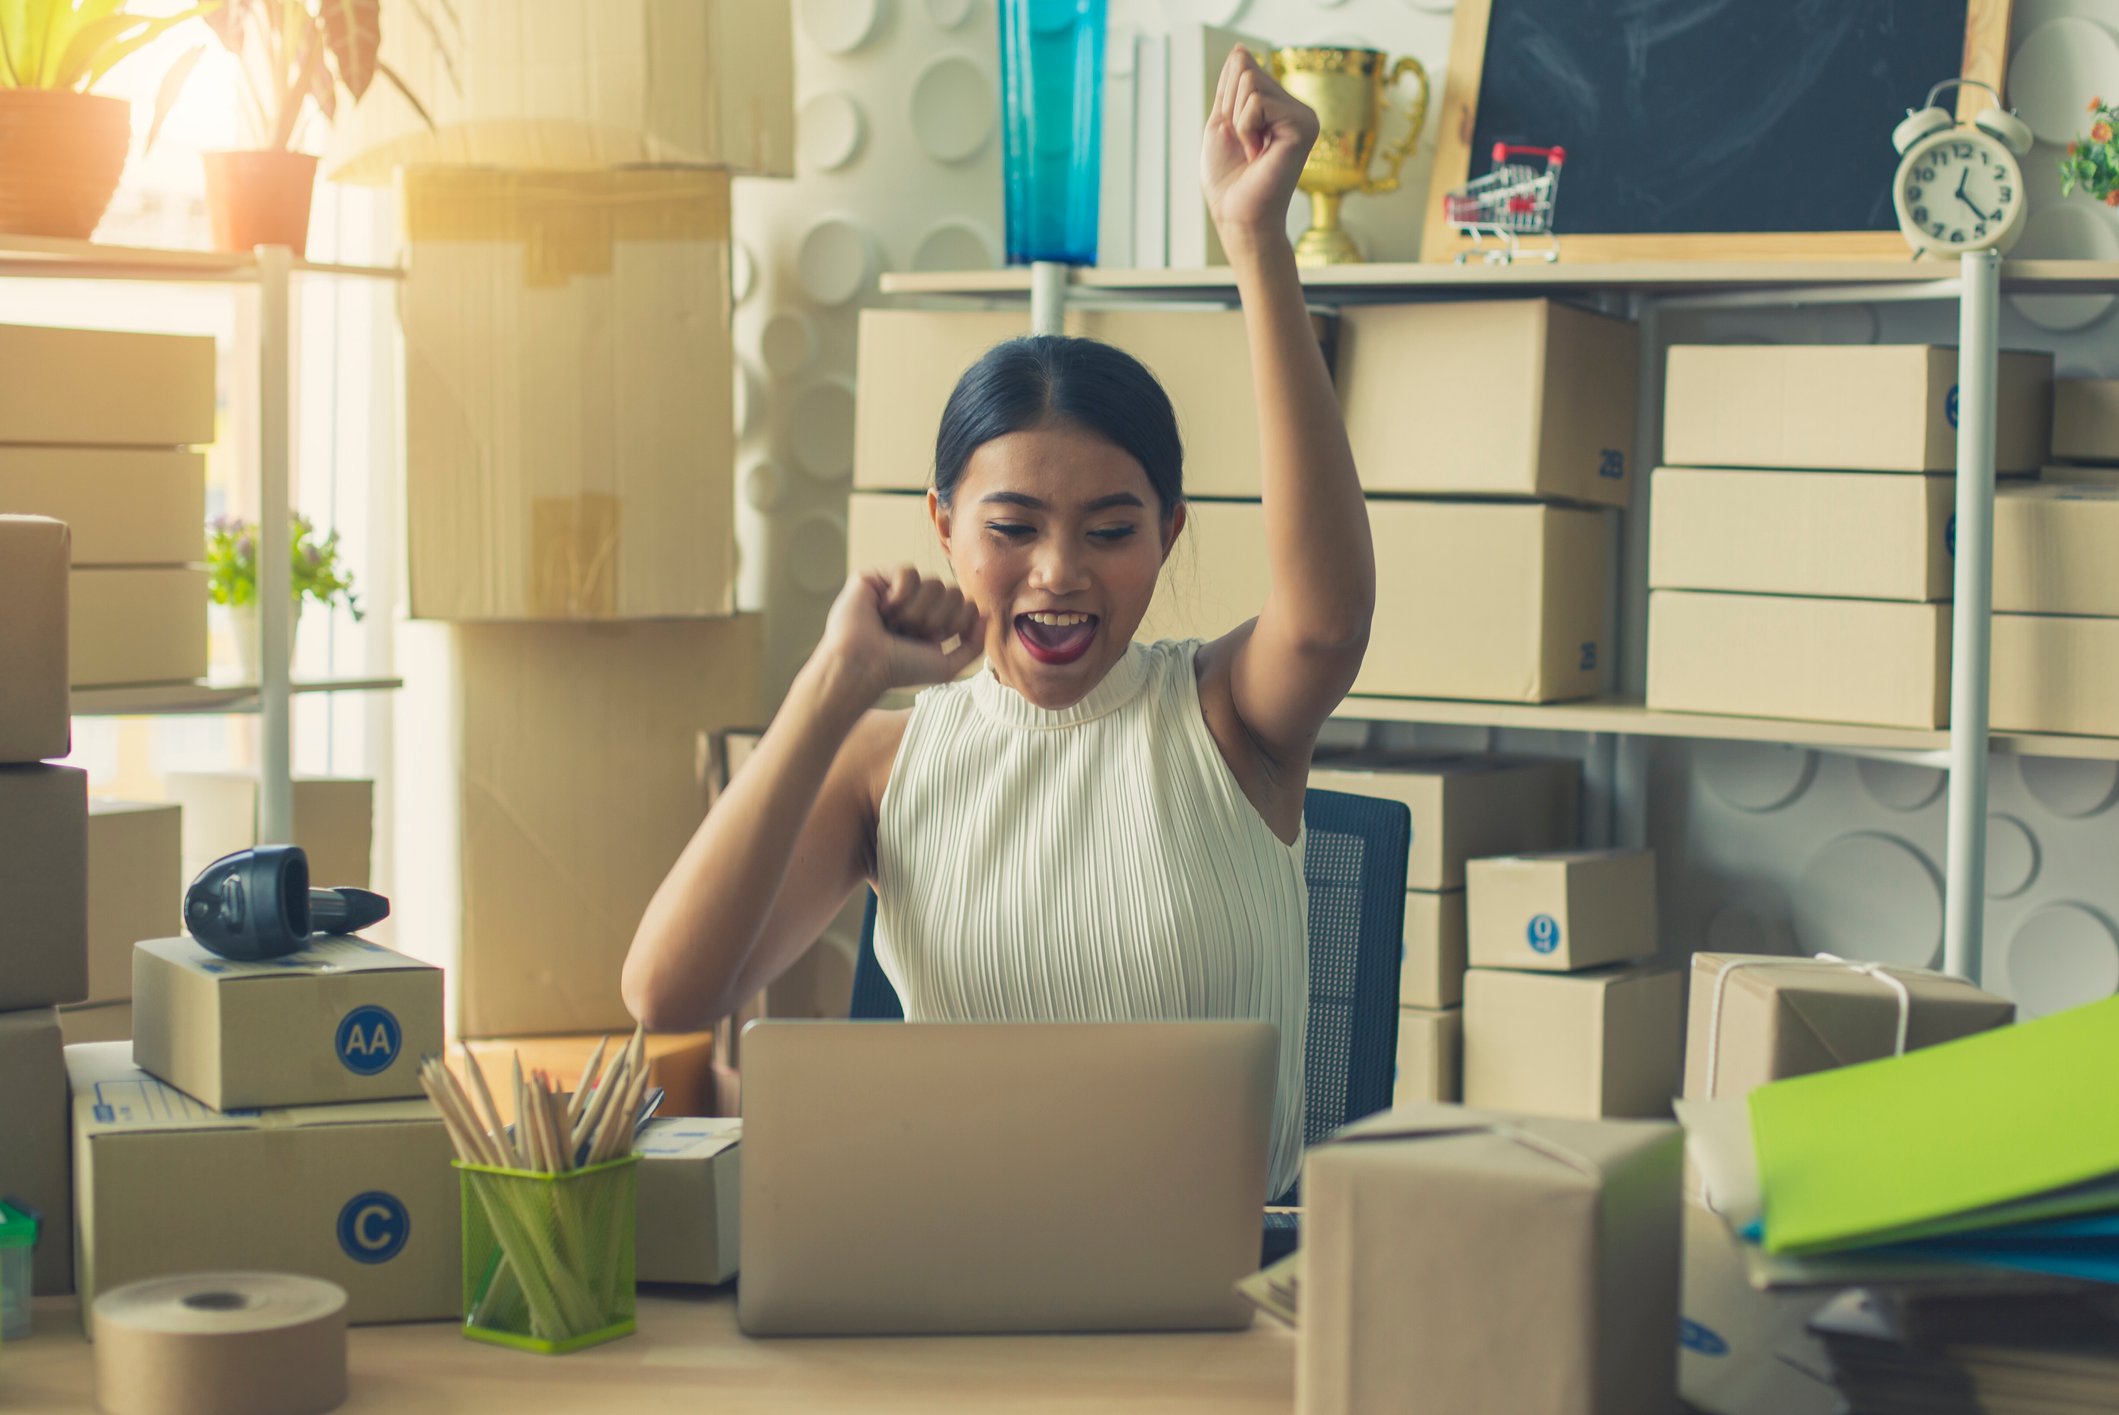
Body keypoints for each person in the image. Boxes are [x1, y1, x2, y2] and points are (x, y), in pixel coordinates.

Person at [623, 47, 1374, 1201]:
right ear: (942, 524)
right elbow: (667, 996)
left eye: (1111, 530)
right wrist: (835, 680)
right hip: (953, 1272)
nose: (1057, 574)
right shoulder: (886, 763)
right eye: (1013, 526)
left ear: (1169, 533)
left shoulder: (1229, 715)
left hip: (1210, 1296)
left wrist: (1255, 245)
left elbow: (1323, 620)